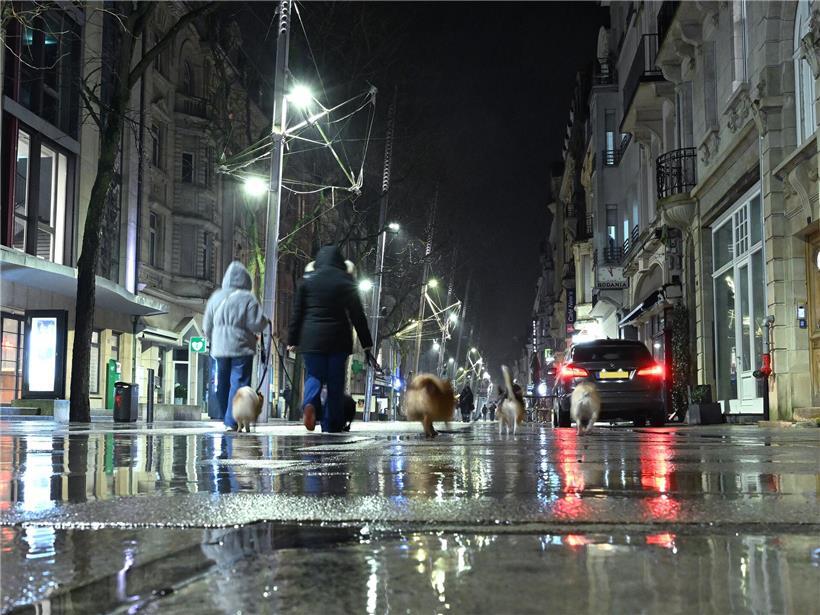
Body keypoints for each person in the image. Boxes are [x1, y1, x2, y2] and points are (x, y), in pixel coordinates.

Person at [287, 245, 375, 433]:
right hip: (338, 339)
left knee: (314, 376)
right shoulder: (346, 281)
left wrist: (292, 339)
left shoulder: (306, 281)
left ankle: (309, 404)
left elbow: (297, 314)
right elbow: (358, 315)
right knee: (335, 382)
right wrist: (367, 344)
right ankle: (331, 423)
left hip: (311, 339)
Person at [204, 261, 268, 432]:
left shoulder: (216, 297)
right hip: (241, 346)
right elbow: (256, 324)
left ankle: (226, 415)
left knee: (222, 383)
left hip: (219, 347)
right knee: (238, 383)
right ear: (246, 281)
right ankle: (233, 420)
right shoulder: (248, 298)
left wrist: (212, 340)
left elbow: (207, 325)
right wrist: (265, 321)